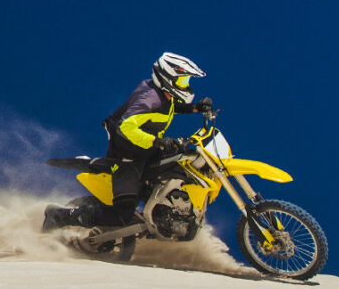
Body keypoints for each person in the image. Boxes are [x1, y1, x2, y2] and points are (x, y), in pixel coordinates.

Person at [44, 52, 213, 231]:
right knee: (122, 214)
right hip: (127, 158)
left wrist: (194, 108)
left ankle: (165, 213)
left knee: (179, 163)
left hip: (145, 151)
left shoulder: (161, 94)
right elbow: (125, 127)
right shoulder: (149, 100)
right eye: (182, 81)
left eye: (186, 81)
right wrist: (157, 141)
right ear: (167, 77)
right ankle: (59, 216)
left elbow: (166, 108)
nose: (185, 86)